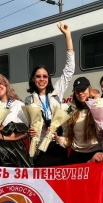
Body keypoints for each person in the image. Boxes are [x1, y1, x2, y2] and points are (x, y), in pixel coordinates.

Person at [25, 22, 74, 167]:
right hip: (40, 147)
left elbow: (69, 70)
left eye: (45, 76)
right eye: (38, 76)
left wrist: (68, 36)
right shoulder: (28, 100)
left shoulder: (56, 92)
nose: (42, 79)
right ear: (33, 79)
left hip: (58, 145)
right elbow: (27, 126)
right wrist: (29, 132)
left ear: (49, 79)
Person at [54, 77, 102, 164]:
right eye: (77, 91)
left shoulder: (96, 106)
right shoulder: (71, 109)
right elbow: (69, 139)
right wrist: (58, 139)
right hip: (76, 156)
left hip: (95, 154)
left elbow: (102, 129)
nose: (80, 93)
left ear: (89, 89)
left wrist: (97, 99)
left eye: (83, 90)